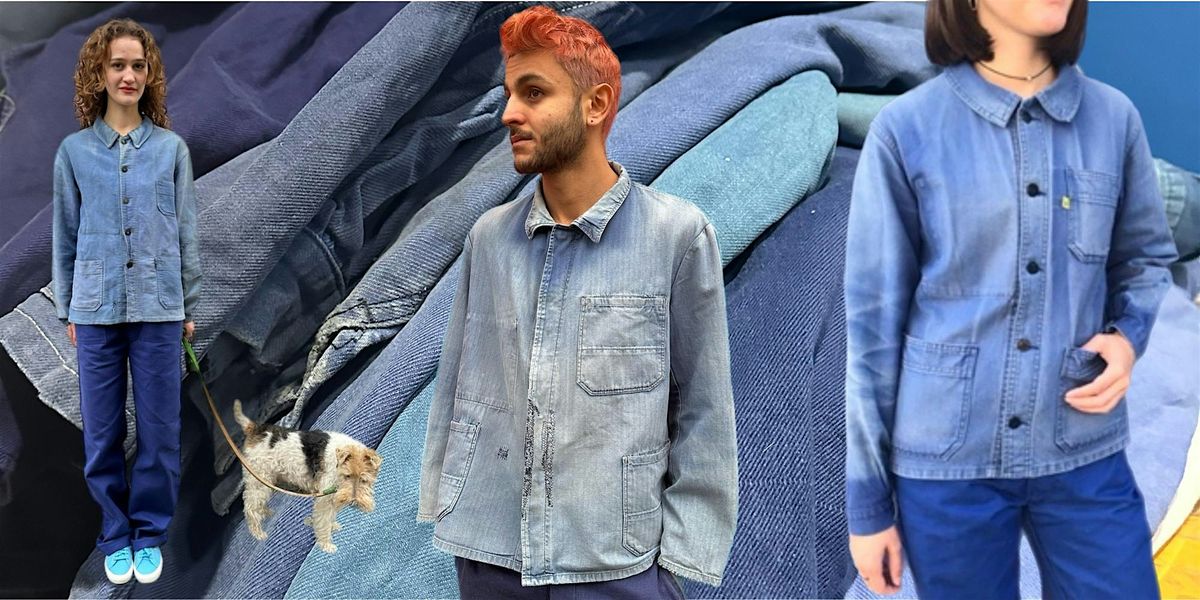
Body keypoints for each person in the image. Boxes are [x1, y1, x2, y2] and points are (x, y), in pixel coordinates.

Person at [844, 0, 1176, 597]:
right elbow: (873, 327)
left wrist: (1127, 339)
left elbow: (1145, 259)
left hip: (1082, 446)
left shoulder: (1113, 119)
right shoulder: (907, 128)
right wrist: (868, 508)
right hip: (946, 463)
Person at [417, 6, 738, 597]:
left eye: (533, 92)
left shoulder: (676, 235)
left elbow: (704, 408)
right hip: (491, 555)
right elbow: (458, 385)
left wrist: (678, 562)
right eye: (509, 94)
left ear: (596, 105)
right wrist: (447, 503)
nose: (509, 113)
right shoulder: (489, 237)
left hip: (616, 562)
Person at [52, 17, 200, 586]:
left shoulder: (170, 150)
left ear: (149, 74)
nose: (128, 75)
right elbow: (65, 234)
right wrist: (67, 307)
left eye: (138, 65)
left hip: (160, 308)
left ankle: (150, 531)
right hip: (94, 309)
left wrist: (188, 304)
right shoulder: (73, 153)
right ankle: (115, 533)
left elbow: (185, 231)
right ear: (99, 73)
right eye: (118, 64)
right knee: (101, 434)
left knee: (161, 431)